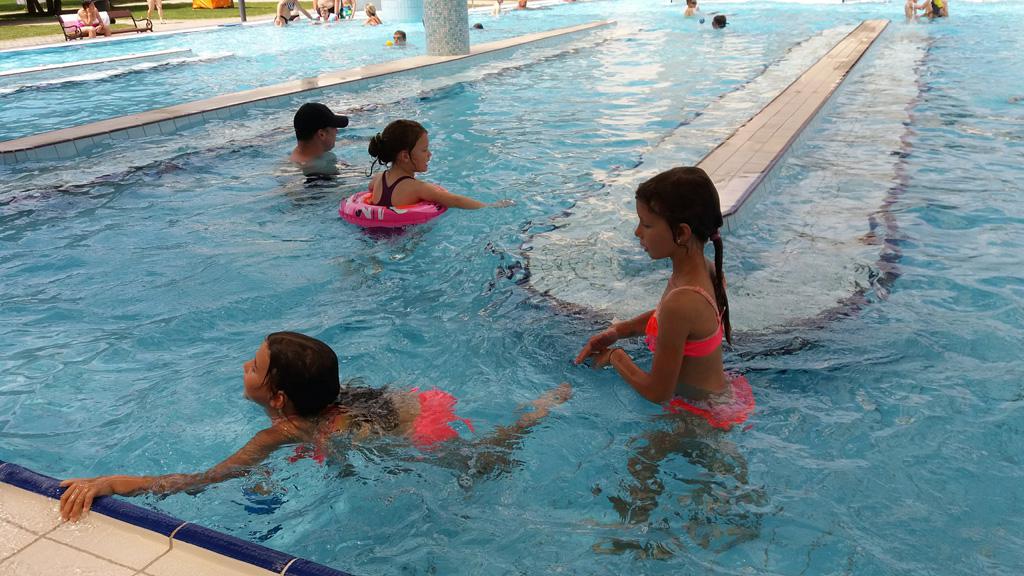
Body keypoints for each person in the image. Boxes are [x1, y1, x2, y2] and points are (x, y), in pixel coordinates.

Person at [59, 332, 572, 521]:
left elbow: (202, 480)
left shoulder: (281, 432)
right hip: (398, 406)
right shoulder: (319, 396)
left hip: (395, 436)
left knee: (480, 464)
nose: (244, 367)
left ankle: (536, 414)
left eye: (254, 367)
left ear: (278, 398)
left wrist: (113, 483)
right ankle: (535, 409)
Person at [575, 167, 753, 431]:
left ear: (681, 233)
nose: (637, 232)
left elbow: (657, 392)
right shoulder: (704, 270)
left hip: (697, 418)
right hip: (716, 399)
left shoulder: (681, 302)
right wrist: (620, 330)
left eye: (647, 225)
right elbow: (669, 321)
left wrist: (615, 357)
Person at [366, 119, 513, 210]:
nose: (429, 154)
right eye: (424, 150)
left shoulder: (378, 179)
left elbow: (370, 192)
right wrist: (490, 206)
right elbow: (455, 201)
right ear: (405, 156)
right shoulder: (418, 188)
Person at [289, 102, 349, 177]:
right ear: (321, 134)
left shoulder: (301, 156)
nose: (337, 130)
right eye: (333, 127)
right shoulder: (316, 171)